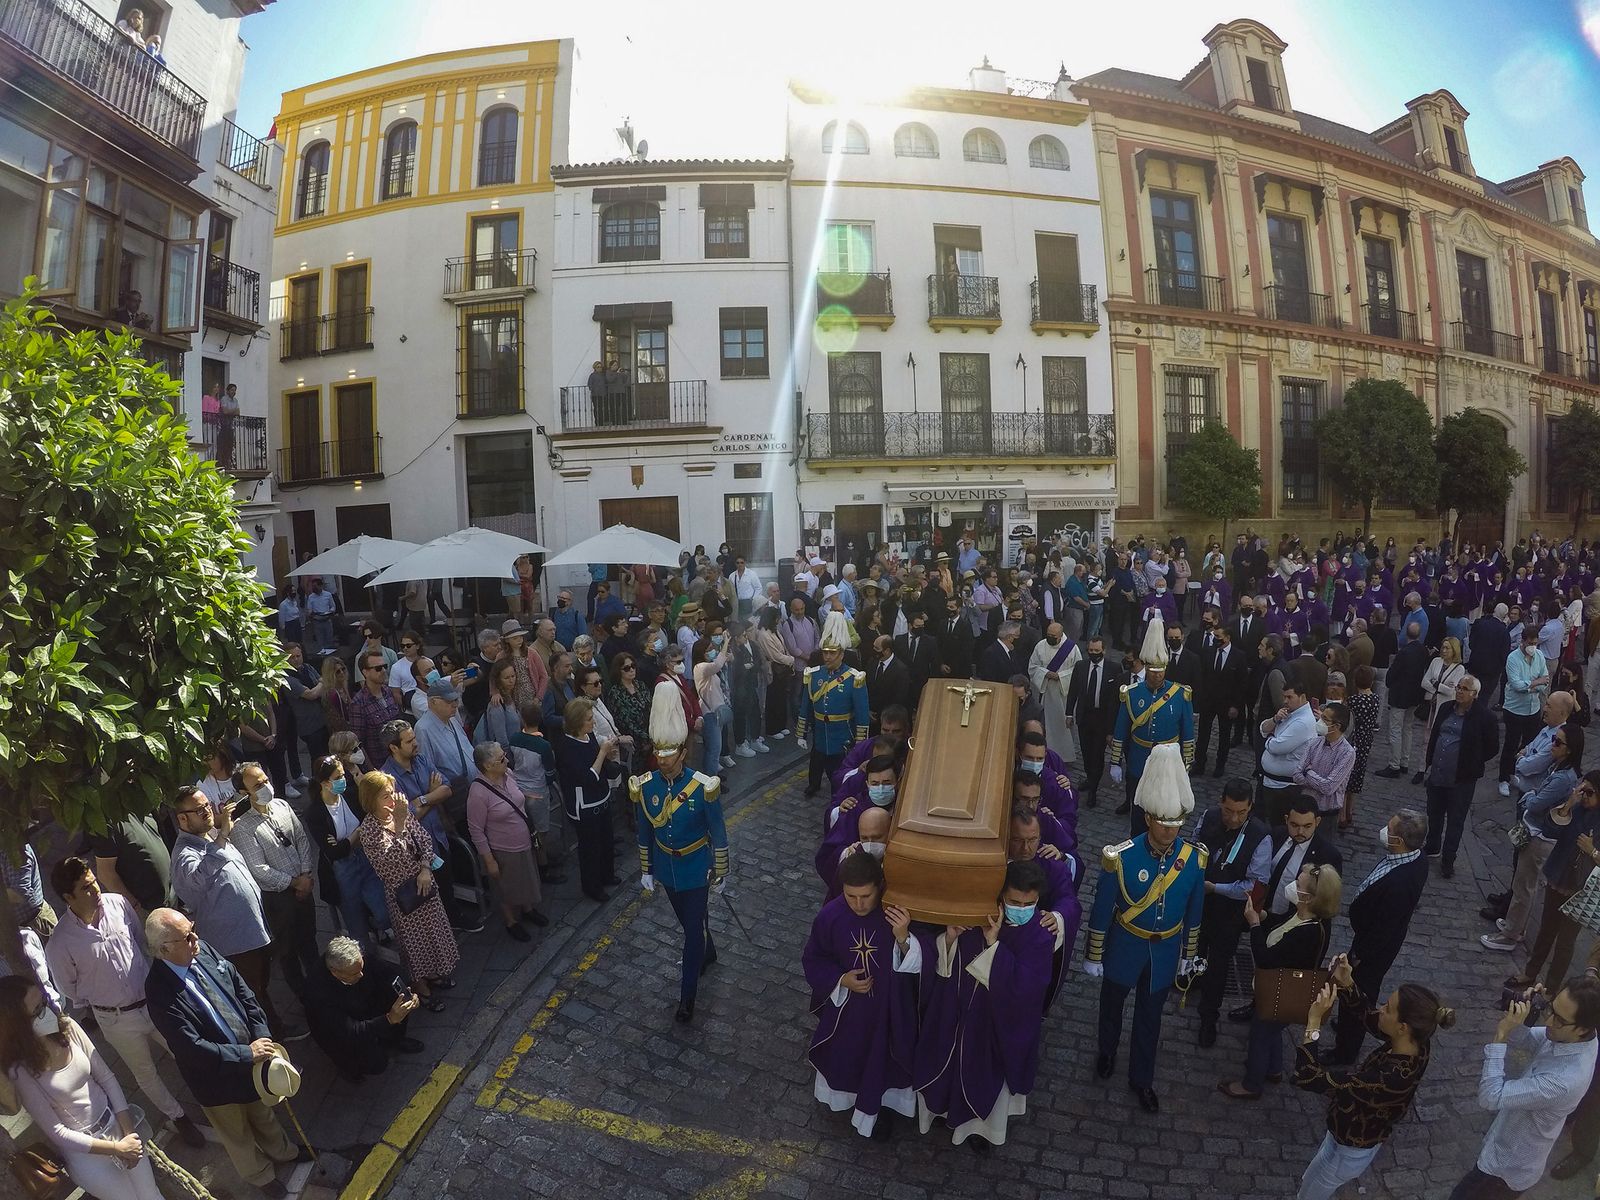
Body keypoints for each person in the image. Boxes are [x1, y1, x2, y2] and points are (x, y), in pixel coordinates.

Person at [143, 909, 306, 1198]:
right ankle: (260, 1175)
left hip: (252, 1058)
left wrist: (261, 1034)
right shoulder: (158, 992)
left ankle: (283, 1152)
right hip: (216, 1079)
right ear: (164, 949)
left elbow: (243, 991)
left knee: (263, 1112)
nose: (196, 939)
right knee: (236, 1131)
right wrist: (246, 1054)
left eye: (193, 929)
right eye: (187, 937)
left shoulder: (202, 950)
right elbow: (192, 1047)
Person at [42, 858, 205, 1147]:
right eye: (86, 888)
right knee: (145, 1073)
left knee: (185, 1048)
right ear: (68, 897)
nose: (96, 890)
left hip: (153, 1002)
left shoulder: (118, 904)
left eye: (94, 882)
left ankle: (209, 1096)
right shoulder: (61, 943)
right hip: (116, 1020)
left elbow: (140, 941)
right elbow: (69, 988)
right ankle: (178, 1117)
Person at [1085, 744, 1207, 1113]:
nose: (1170, 831)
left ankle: (1142, 1078)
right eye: (1163, 823)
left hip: (1164, 951)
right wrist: (1094, 954)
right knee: (1112, 1006)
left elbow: (1195, 911)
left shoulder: (1194, 860)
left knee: (1150, 1019)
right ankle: (1107, 1050)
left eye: (1176, 825)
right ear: (1149, 818)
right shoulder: (1122, 857)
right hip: (1126, 944)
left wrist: (1188, 954)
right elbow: (1102, 908)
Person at [914, 859, 1068, 1148]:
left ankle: (982, 1130)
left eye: (1029, 903)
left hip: (995, 1024)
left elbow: (1027, 987)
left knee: (984, 1076)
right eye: (1014, 902)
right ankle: (942, 1111)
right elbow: (947, 961)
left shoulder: (1039, 934)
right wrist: (950, 938)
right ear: (1000, 896)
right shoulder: (977, 915)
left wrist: (994, 945)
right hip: (956, 1012)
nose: (1021, 909)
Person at [1292, 955, 1452, 1200]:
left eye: (1387, 1008)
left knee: (1311, 1193)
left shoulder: (1387, 1079)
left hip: (1348, 1150)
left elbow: (1308, 1076)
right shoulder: (1417, 1042)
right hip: (1343, 1134)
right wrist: (1347, 983)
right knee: (1314, 1177)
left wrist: (1313, 1022)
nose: (1381, 1009)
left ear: (1403, 1027)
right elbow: (1370, 1018)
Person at [0, 976, 165, 1200]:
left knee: (152, 1195)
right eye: (36, 1010)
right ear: (18, 1026)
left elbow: (107, 1078)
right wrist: (117, 1149)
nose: (46, 1011)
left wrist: (128, 1133)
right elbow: (58, 1132)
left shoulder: (68, 1028)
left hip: (119, 1127)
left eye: (44, 1001)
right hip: (87, 1155)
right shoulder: (21, 1071)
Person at [802, 851, 918, 1139]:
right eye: (851, 896)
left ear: (880, 886)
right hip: (849, 1012)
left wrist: (903, 937)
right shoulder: (830, 916)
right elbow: (814, 958)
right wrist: (841, 980)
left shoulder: (895, 913)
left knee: (887, 1057)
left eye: (866, 896)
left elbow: (922, 958)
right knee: (851, 1056)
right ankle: (851, 1100)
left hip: (889, 1007)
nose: (858, 904)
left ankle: (884, 1105)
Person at [1449, 978, 1600, 1198]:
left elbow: (1490, 1096)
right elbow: (1526, 1040)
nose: (1549, 1021)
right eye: (1551, 1008)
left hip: (1506, 1169)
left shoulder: (1563, 1082)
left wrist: (1501, 1035)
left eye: (1559, 1019)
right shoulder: (1576, 1038)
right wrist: (1528, 1013)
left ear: (1582, 1029)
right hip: (1504, 1145)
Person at [634, 681, 730, 1024]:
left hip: (696, 868)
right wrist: (647, 869)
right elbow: (644, 830)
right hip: (667, 869)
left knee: (690, 932)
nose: (662, 762)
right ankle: (708, 949)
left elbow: (718, 831)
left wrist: (722, 870)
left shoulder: (703, 787)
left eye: (668, 756)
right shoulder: (645, 786)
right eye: (659, 756)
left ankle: (687, 997)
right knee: (691, 922)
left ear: (682, 754)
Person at [168, 783, 294, 1040]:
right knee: (252, 994)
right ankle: (272, 1042)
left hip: (253, 930)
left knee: (261, 986)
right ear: (182, 819)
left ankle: (273, 1033)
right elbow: (195, 883)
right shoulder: (183, 854)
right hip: (234, 942)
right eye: (199, 810)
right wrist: (222, 837)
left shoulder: (211, 835)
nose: (208, 812)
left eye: (207, 806)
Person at [1219, 864, 1343, 1101]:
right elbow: (1283, 922)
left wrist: (1254, 924)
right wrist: (1263, 916)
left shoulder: (1307, 932)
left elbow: (1266, 959)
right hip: (1285, 992)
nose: (1292, 886)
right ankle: (1274, 1069)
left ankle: (1251, 1084)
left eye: (1298, 884)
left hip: (1281, 989)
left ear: (1309, 897)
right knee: (1273, 1032)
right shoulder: (1307, 914)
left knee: (1260, 1034)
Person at [1330, 810, 1429, 1063]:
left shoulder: (1400, 884)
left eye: (1390, 829)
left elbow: (1382, 930)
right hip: (1373, 938)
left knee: (1358, 990)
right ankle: (1348, 1025)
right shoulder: (1414, 857)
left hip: (1372, 950)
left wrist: (1358, 955)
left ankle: (1346, 1048)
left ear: (1400, 841)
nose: (1385, 831)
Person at [358, 771, 457, 1011]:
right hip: (404, 895)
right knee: (415, 944)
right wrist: (400, 824)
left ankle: (434, 973)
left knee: (434, 933)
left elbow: (424, 841)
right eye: (385, 796)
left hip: (425, 885)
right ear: (371, 799)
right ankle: (421, 987)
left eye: (392, 793)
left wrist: (425, 868)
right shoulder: (369, 830)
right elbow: (390, 861)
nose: (392, 799)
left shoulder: (402, 813)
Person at [1484, 722, 1586, 951]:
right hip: (1537, 831)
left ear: (1569, 749)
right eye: (1554, 739)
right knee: (1524, 884)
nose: (1552, 745)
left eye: (1558, 742)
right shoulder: (1558, 768)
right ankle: (1516, 926)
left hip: (1540, 837)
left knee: (1524, 887)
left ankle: (1510, 935)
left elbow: (1537, 802)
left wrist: (1530, 795)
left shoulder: (1563, 778)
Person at [229, 760, 320, 999]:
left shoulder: (281, 805)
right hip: (279, 900)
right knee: (288, 953)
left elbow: (301, 839)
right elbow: (259, 869)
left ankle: (322, 989)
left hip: (303, 887)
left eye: (266, 781)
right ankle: (304, 998)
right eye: (257, 785)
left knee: (309, 942)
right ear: (244, 792)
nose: (266, 787)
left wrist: (306, 874)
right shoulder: (242, 828)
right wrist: (294, 883)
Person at [1193, 779, 1272, 1047]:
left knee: (1219, 965)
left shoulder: (1260, 837)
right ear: (1221, 802)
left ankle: (1208, 1017)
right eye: (1228, 811)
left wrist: (1215, 888)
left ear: (1250, 807)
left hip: (1229, 913)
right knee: (1194, 947)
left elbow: (1254, 885)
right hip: (1200, 904)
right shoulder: (1209, 818)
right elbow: (1192, 849)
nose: (1234, 818)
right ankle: (1192, 978)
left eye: (1241, 812)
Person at [1109, 617, 1196, 835]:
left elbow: (1187, 734)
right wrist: (1115, 761)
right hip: (1139, 759)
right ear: (1145, 668)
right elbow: (1121, 729)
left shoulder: (1180, 694)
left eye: (1161, 670)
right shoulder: (1131, 694)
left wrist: (1186, 765)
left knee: (1166, 810)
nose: (1157, 675)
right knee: (1139, 811)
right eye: (1153, 670)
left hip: (1169, 761)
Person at [302, 935, 423, 1083]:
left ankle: (395, 1040)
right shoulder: (317, 993)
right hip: (341, 1029)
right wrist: (389, 1019)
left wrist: (407, 995)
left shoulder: (356, 959)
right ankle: (350, 1069)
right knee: (377, 1064)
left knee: (396, 999)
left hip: (363, 1002)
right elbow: (350, 1031)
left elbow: (387, 973)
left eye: (362, 968)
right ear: (335, 972)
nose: (361, 974)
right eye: (354, 973)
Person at [467, 741, 546, 942]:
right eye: (501, 759)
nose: (507, 761)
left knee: (525, 879)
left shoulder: (508, 774)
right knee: (505, 889)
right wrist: (489, 860)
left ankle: (528, 909)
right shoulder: (478, 793)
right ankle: (511, 921)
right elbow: (476, 830)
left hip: (523, 842)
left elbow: (513, 796)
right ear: (488, 766)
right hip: (502, 850)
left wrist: (526, 796)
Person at [1421, 675, 1499, 878]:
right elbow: (1435, 734)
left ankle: (1448, 859)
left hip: (1461, 779)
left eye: (1465, 689)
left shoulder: (1485, 717)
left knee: (1455, 820)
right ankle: (1432, 846)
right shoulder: (1446, 708)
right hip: (1438, 773)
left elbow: (1492, 748)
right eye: (1458, 687)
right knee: (1434, 813)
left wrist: (1472, 761)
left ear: (1475, 694)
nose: (1460, 691)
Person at [555, 697, 625, 902]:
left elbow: (598, 763)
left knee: (606, 841)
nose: (593, 722)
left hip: (601, 798)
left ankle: (607, 874)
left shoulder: (589, 735)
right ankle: (592, 887)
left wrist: (606, 756)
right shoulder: (566, 747)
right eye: (588, 719)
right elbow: (587, 778)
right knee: (590, 850)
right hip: (584, 806)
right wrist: (603, 754)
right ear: (577, 722)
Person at [797, 611, 870, 798]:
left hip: (842, 738)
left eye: (832, 653)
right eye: (825, 652)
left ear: (842, 654)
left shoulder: (854, 678)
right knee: (820, 764)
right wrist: (801, 733)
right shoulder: (813, 674)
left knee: (839, 777)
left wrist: (860, 743)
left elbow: (862, 714)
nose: (827, 657)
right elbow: (806, 705)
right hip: (821, 736)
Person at [1067, 635, 1122, 807]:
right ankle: (1090, 777)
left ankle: (1093, 789)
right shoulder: (1081, 666)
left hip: (1102, 718)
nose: (1093, 653)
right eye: (1090, 650)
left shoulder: (1114, 668)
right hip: (1085, 716)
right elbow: (1073, 691)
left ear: (1103, 650)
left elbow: (1117, 698)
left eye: (1096, 651)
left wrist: (1113, 727)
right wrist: (1069, 713)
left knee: (1097, 754)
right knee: (1085, 752)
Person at [1258, 680, 1317, 826]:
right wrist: (1275, 719)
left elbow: (1277, 747)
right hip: (1271, 783)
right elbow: (1263, 728)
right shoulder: (1290, 712)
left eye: (1289, 697)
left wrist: (1270, 738)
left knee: (1276, 826)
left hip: (1283, 789)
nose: (1285, 701)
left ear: (1302, 697)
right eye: (1284, 697)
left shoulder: (1303, 722)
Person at [1375, 624, 1429, 782]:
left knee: (1396, 730)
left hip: (1400, 696)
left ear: (1406, 634)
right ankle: (1404, 761)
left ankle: (1394, 765)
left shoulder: (1404, 652)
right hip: (1414, 696)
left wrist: (1390, 682)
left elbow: (1393, 673)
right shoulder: (1423, 650)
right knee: (1408, 728)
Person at [1192, 621, 1246, 779]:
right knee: (1203, 735)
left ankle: (1220, 765)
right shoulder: (1207, 652)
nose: (1215, 639)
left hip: (1226, 704)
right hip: (1208, 702)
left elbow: (1242, 683)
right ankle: (1199, 763)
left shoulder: (1239, 656)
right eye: (1214, 636)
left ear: (1227, 638)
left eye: (1218, 636)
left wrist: (1236, 706)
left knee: (1224, 736)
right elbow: (1202, 677)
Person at [1028, 621, 1080, 765]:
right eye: (1048, 635)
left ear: (1061, 635)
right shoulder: (1040, 646)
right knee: (1046, 724)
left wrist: (1060, 676)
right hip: (1046, 692)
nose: (1050, 638)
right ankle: (1045, 752)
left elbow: (1078, 670)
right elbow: (1032, 666)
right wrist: (1045, 673)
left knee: (1063, 725)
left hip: (1064, 694)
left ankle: (1065, 756)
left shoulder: (1072, 648)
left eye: (1053, 636)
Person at [1295, 701, 1356, 821]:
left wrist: (1307, 772)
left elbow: (1328, 787)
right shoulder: (1314, 742)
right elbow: (1296, 775)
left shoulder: (1347, 753)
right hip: (1305, 807)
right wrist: (1317, 780)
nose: (1320, 721)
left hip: (1327, 813)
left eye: (1325, 719)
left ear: (1337, 726)